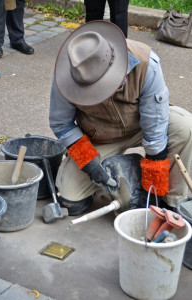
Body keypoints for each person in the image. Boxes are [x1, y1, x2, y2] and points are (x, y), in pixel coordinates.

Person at [49, 20, 192, 216]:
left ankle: (172, 202)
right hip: (99, 136)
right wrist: (89, 163)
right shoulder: (66, 77)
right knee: (70, 200)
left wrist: (154, 184)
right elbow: (62, 124)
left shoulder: (145, 63)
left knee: (185, 127)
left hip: (141, 124)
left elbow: (155, 125)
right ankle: (127, 166)